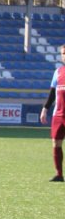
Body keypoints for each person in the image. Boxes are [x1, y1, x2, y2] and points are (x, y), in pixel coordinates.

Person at [39, 43, 65, 182]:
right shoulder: (58, 72)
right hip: (58, 115)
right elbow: (52, 93)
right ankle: (59, 174)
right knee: (56, 143)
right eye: (63, 54)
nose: (64, 56)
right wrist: (45, 109)